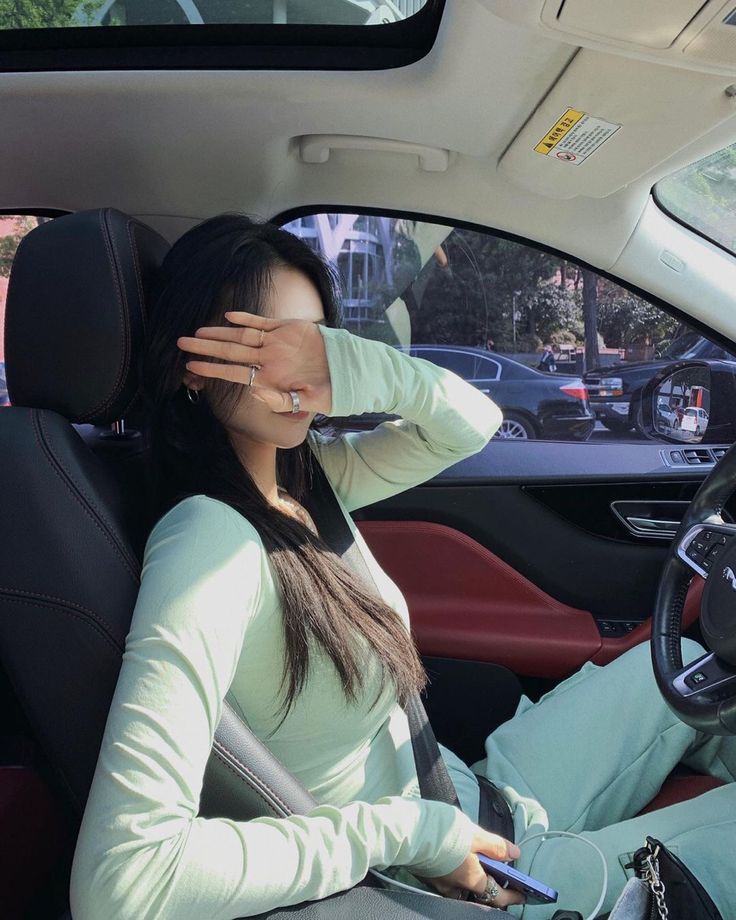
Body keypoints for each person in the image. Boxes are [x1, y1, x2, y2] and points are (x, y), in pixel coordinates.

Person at [69, 215, 736, 920]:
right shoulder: (208, 543)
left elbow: (469, 422)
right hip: (456, 879)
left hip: (474, 791)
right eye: (270, 343)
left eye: (315, 340)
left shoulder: (306, 483)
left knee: (686, 672)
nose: (300, 368)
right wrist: (412, 835)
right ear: (195, 364)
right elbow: (123, 881)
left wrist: (345, 366)